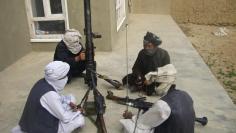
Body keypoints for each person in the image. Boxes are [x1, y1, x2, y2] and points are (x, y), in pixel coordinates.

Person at [11, 61, 85, 133]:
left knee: (71, 97)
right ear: (58, 79)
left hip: (33, 119)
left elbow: (57, 99)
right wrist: (78, 111)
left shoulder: (42, 81)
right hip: (40, 127)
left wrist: (69, 103)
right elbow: (65, 118)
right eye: (65, 77)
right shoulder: (50, 95)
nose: (66, 78)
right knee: (80, 120)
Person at [120, 64, 196, 133]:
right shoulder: (186, 95)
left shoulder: (162, 105)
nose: (155, 87)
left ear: (164, 83)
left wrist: (131, 117)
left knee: (129, 126)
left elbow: (142, 123)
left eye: (157, 84)